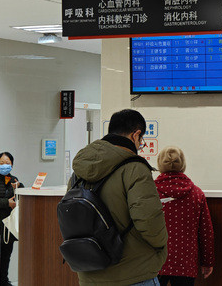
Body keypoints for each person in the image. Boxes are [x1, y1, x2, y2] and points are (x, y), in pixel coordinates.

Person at [71, 109, 168, 286]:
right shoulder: (134, 168)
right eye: (141, 140)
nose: (140, 145)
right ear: (136, 134)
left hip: (89, 270)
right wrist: (161, 245)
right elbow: (149, 221)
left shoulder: (78, 172)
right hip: (133, 272)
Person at [155, 146, 214, 286]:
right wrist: (207, 262)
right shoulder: (196, 194)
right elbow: (206, 232)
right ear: (183, 165)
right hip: (186, 262)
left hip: (155, 260)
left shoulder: (150, 192)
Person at [0, 152, 23, 286]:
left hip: (8, 225)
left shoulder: (14, 180)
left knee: (6, 255)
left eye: (8, 163)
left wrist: (18, 189)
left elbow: (20, 198)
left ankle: (3, 281)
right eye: (2, 163)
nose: (5, 165)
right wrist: (7, 203)